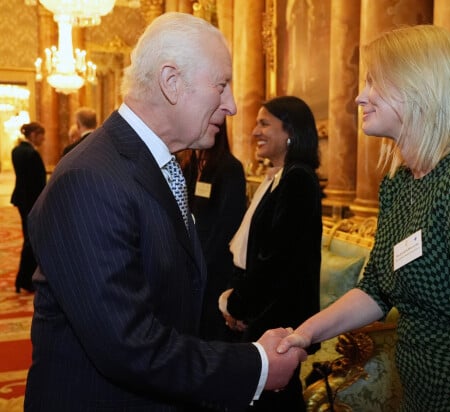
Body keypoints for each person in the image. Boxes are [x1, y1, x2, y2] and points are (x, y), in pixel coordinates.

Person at [24, 12, 306, 411]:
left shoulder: (153, 164)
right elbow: (127, 345)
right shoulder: (90, 178)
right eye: (222, 85)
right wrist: (256, 366)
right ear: (171, 82)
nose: (232, 106)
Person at [278, 25, 450, 411]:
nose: (359, 96)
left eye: (374, 82)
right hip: (420, 394)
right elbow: (376, 290)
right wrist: (304, 333)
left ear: (420, 87)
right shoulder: (400, 183)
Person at [219, 96, 322, 412]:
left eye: (264, 124)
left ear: (289, 131)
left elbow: (278, 260)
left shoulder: (297, 178)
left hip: (277, 324)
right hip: (263, 316)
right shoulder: (280, 176)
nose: (254, 131)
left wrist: (238, 305)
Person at [180, 122, 247, 341]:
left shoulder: (229, 168)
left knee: (210, 335)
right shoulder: (190, 165)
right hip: (191, 264)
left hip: (215, 268)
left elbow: (227, 225)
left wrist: (199, 263)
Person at [11, 122, 46, 293]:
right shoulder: (32, 154)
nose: (43, 139)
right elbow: (39, 183)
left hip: (21, 199)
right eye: (41, 135)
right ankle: (24, 279)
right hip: (32, 202)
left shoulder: (16, 151)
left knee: (28, 239)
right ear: (33, 135)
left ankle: (23, 279)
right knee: (31, 241)